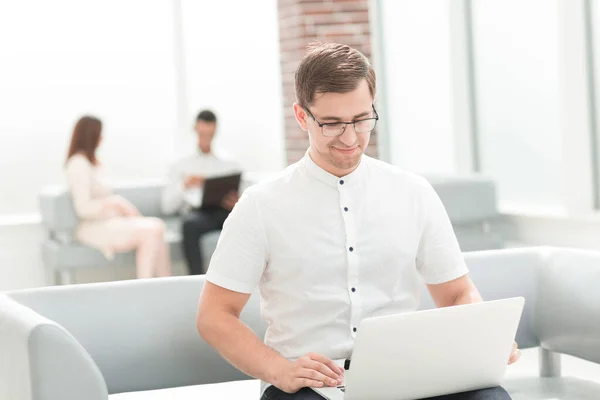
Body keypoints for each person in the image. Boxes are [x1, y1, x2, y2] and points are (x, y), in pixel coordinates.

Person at [196, 43, 520, 400]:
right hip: (309, 386)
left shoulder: (414, 193)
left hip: (407, 374)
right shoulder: (260, 205)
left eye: (362, 119)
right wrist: (280, 370)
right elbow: (215, 316)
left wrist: (480, 339)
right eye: (332, 124)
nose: (350, 138)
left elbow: (458, 293)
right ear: (302, 116)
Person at [65, 116, 171, 279]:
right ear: (90, 136)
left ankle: (165, 285)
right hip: (92, 228)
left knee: (158, 226)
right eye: (99, 134)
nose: (102, 138)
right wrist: (114, 202)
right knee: (150, 232)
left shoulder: (94, 163)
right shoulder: (78, 164)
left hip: (110, 222)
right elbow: (83, 209)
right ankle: (145, 288)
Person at [161, 110, 242, 275]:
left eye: (210, 134)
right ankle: (196, 279)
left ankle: (240, 278)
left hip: (223, 211)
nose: (206, 139)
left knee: (244, 219)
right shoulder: (181, 163)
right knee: (189, 225)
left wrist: (237, 203)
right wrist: (185, 184)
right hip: (198, 215)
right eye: (202, 134)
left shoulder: (228, 162)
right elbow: (166, 207)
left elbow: (241, 198)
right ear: (195, 130)